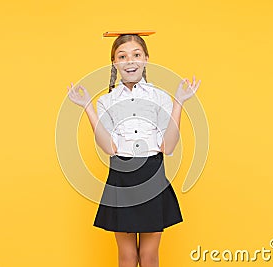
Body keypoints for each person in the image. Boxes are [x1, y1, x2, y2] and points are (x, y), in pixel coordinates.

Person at [67, 32, 200, 267]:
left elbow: (168, 147)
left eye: (136, 54)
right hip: (121, 177)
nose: (130, 61)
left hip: (153, 175)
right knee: (127, 257)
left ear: (146, 58)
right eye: (122, 56)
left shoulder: (160, 98)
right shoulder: (106, 102)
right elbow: (109, 147)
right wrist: (88, 107)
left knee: (149, 257)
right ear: (115, 63)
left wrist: (179, 102)